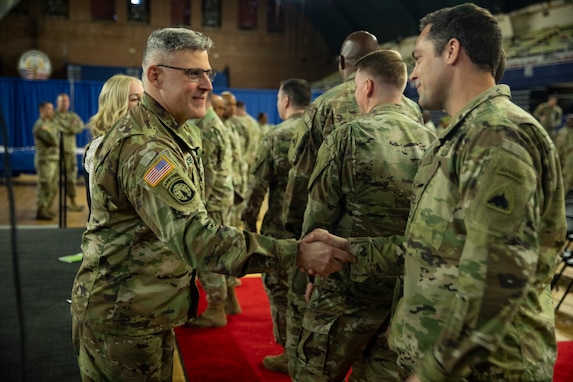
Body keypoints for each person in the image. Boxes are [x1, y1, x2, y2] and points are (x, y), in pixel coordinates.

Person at [297, 4, 566, 382]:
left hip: (483, 369)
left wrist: (433, 372)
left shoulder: (497, 136)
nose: (415, 73)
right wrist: (346, 248)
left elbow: (498, 279)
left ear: (452, 51)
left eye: (419, 58)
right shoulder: (458, 137)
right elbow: (430, 251)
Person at [70, 27, 355, 381]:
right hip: (122, 317)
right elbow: (197, 238)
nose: (207, 84)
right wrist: (296, 254)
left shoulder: (172, 131)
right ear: (154, 75)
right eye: (193, 73)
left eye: (208, 73)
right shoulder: (145, 148)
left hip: (145, 309)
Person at [282, 30, 422, 375]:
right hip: (402, 281)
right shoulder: (428, 132)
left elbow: (315, 206)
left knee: (314, 370)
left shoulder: (343, 130)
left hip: (346, 276)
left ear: (366, 85)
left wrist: (308, 269)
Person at [241, 78, 312, 374]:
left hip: (280, 232)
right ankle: (310, 352)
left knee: (281, 293)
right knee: (311, 292)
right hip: (318, 228)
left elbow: (257, 188)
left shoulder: (275, 136)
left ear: (284, 100)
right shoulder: (325, 132)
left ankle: (289, 354)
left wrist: (248, 226)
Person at [186, 92, 241, 329]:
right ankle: (230, 301)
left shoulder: (206, 127)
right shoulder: (211, 123)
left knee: (209, 253)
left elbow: (206, 172)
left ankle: (216, 308)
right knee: (222, 249)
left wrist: (198, 206)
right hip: (221, 197)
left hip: (212, 201)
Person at [84, 74, 143, 211]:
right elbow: (100, 208)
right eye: (135, 99)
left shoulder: (139, 141)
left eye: (144, 98)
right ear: (117, 104)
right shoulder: (103, 148)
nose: (143, 104)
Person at [53, 92, 85, 211]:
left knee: (71, 178)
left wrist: (66, 127)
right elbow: (56, 127)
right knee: (52, 179)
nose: (65, 103)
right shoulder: (53, 116)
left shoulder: (72, 116)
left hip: (69, 151)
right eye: (62, 101)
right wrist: (70, 126)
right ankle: (48, 205)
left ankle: (72, 202)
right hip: (55, 152)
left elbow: (80, 127)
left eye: (66, 101)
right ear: (58, 103)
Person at [32, 101, 59, 220]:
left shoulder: (50, 123)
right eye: (48, 109)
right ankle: (41, 210)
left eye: (52, 108)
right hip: (45, 161)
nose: (52, 111)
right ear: (42, 110)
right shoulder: (40, 125)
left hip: (53, 159)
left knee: (53, 187)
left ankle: (47, 208)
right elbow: (54, 140)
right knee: (45, 186)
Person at [555, 114, 573, 195]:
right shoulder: (562, 131)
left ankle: (562, 195)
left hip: (570, 156)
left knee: (567, 175)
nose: (570, 122)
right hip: (561, 155)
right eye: (569, 120)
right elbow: (558, 143)